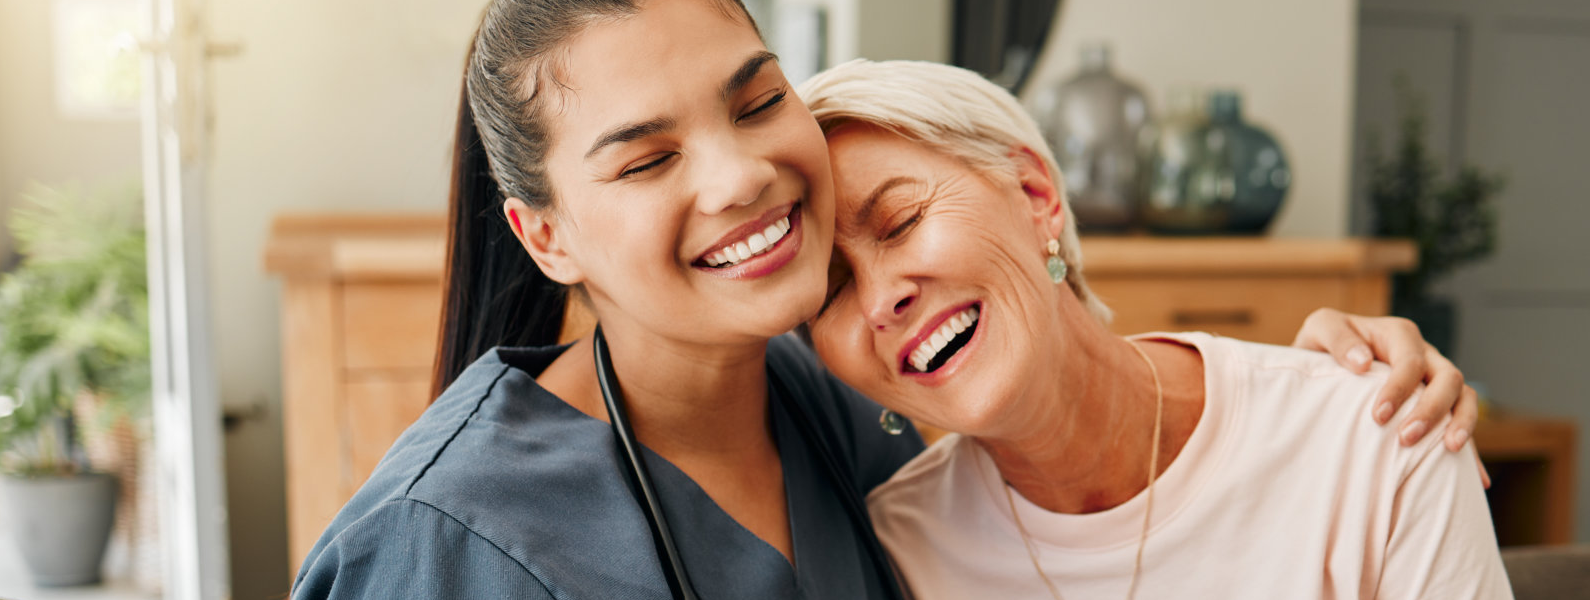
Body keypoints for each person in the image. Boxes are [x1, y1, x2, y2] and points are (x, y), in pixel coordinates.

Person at [290, 1, 1476, 597]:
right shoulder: (445, 542)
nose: (741, 173)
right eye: (647, 160)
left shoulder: (857, 405)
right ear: (544, 235)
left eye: (755, 102)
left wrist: (1337, 380)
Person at [802, 59, 1512, 599]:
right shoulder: (895, 554)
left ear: (1034, 196)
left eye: (900, 222)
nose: (878, 301)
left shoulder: (1382, 434)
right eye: (829, 290)